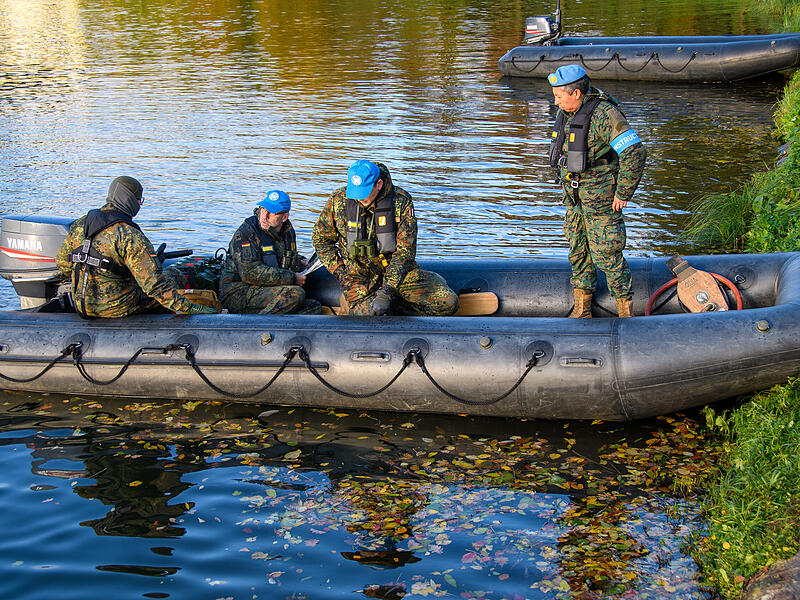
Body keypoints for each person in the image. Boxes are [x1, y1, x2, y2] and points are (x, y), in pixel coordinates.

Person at [547, 64, 646, 318]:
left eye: (559, 96)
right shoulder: (568, 112)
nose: (555, 101)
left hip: (601, 199)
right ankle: (582, 310)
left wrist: (623, 193)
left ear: (576, 93)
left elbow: (634, 151)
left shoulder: (605, 115)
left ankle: (626, 312)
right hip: (575, 198)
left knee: (607, 253)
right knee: (578, 250)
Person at [56, 176, 219, 318]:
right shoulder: (129, 235)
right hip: (117, 307)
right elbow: (156, 287)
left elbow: (63, 263)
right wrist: (192, 309)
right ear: (131, 201)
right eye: (139, 201)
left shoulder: (80, 224)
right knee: (174, 275)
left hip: (81, 305)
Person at [312, 160, 458, 316]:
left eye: (365, 192)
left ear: (379, 184)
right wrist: (342, 274)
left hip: (397, 274)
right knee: (371, 318)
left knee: (447, 303)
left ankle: (395, 305)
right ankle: (363, 305)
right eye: (355, 192)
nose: (360, 199)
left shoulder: (401, 202)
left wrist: (386, 291)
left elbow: (405, 252)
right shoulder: (337, 200)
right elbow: (321, 241)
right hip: (358, 278)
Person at [219, 190, 321, 315]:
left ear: (284, 217)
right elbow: (249, 273)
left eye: (271, 213)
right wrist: (292, 278)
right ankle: (257, 326)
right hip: (238, 292)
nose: (264, 216)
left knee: (313, 306)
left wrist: (299, 261)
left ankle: (276, 325)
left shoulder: (287, 232)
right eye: (263, 209)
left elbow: (280, 256)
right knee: (295, 294)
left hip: (265, 289)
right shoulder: (246, 233)